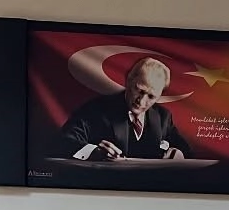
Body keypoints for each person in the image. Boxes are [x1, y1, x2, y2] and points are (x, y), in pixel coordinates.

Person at [57, 57, 194, 161]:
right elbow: (63, 141)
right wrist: (94, 152)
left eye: (151, 96)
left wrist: (178, 154)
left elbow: (185, 149)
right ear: (129, 81)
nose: (141, 101)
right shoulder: (96, 109)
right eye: (139, 90)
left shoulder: (163, 116)